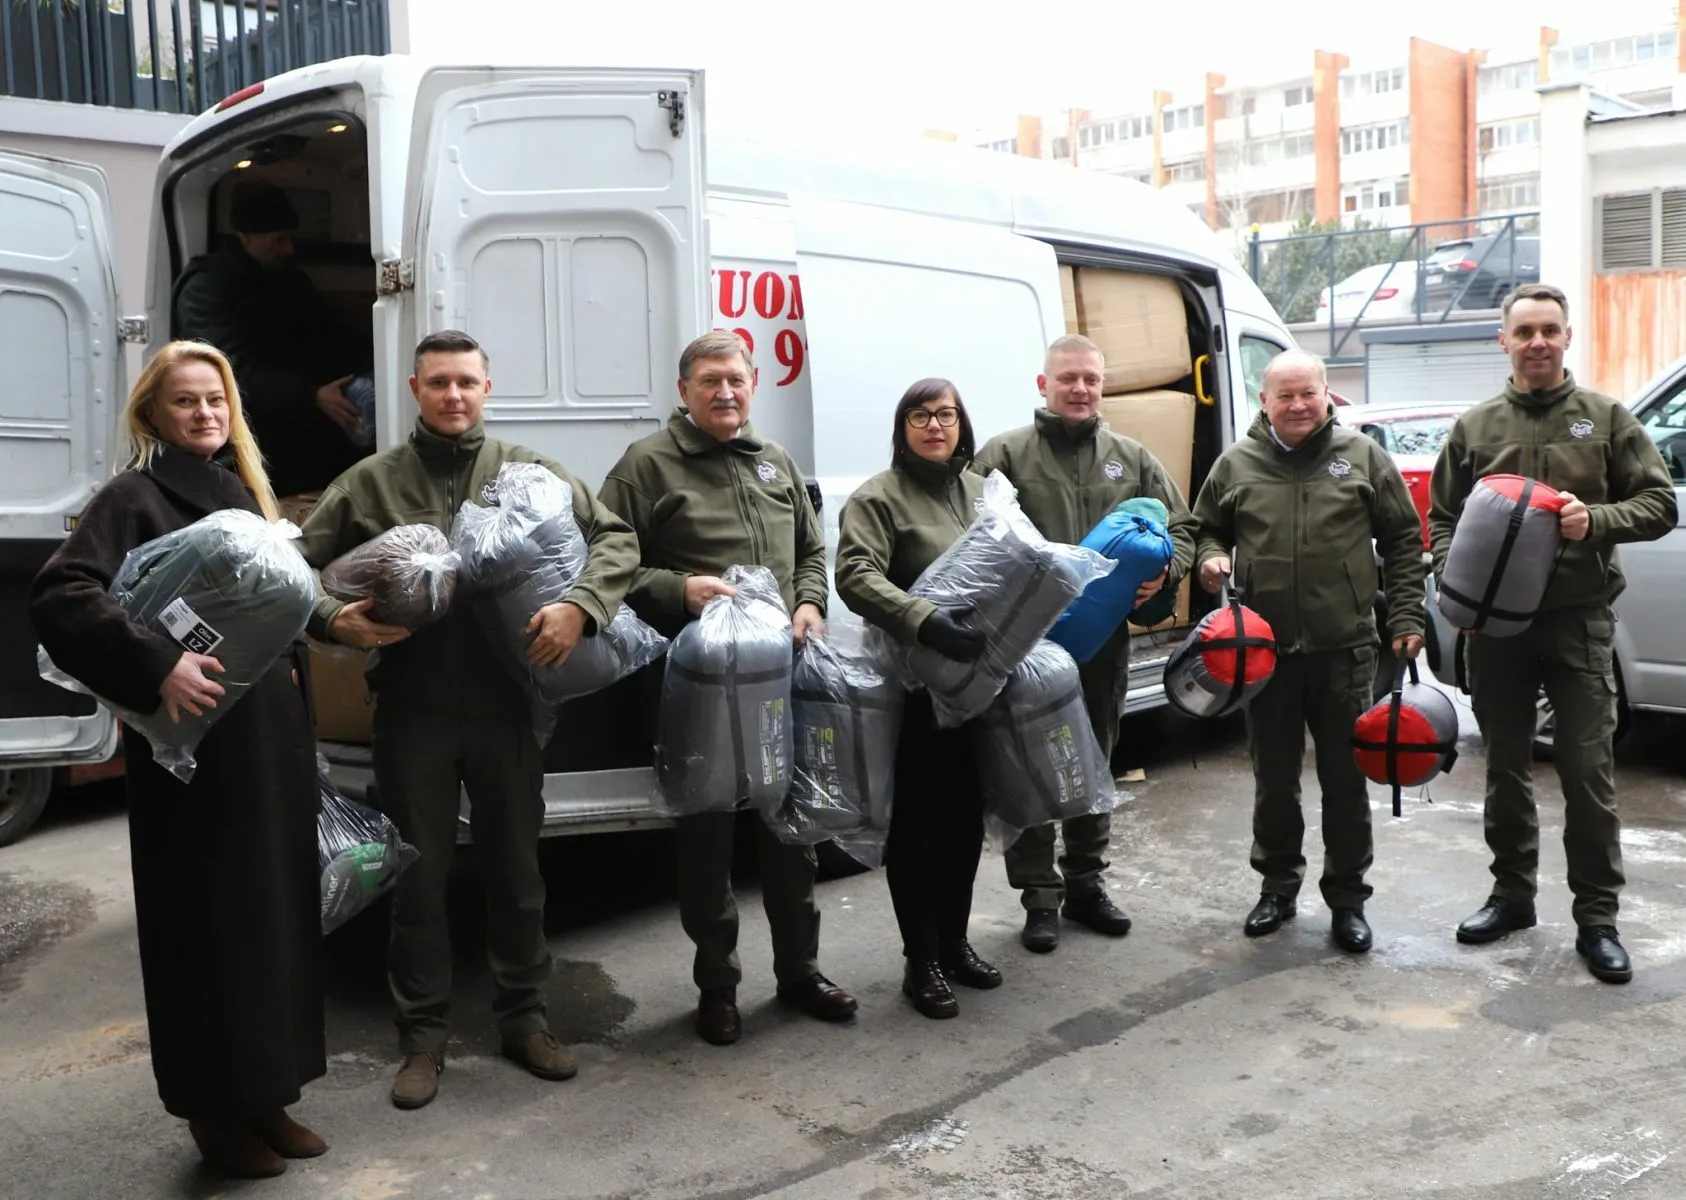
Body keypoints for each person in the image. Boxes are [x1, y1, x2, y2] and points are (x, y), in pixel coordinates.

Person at [294, 330, 639, 1109]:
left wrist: (581, 607)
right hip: (411, 707)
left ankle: (525, 1020)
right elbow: (300, 565)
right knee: (419, 880)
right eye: (439, 382)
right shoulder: (371, 482)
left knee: (517, 872)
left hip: (506, 707)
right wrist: (332, 618)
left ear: (488, 388)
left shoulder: (529, 473)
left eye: (467, 382)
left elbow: (616, 537)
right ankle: (422, 1037)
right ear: (414, 389)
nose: (453, 395)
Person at [29, 342, 325, 1179]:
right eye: (186, 401)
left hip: (264, 745)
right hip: (191, 756)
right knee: (208, 929)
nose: (204, 414)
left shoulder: (241, 491)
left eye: (216, 401)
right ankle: (212, 1111)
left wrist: (339, 620)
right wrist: (159, 663)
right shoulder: (133, 496)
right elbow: (62, 593)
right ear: (152, 414)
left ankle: (268, 1093)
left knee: (270, 920)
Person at [600, 330, 857, 1046]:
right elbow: (607, 563)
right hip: (702, 686)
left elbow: (811, 550)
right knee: (708, 839)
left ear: (753, 386)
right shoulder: (646, 465)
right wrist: (678, 588)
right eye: (709, 381)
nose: (724, 392)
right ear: (683, 390)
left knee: (791, 830)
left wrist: (811, 603)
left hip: (782, 677)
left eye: (736, 380)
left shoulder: (774, 460)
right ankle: (717, 987)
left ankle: (800, 972)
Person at [1428, 283, 1677, 984]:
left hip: (1578, 621)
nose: (1537, 342)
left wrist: (1595, 520)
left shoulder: (1606, 419)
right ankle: (1512, 897)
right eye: (1524, 331)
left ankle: (1597, 919)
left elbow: (1659, 503)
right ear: (1503, 341)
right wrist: (1454, 572)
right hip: (1496, 630)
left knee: (1588, 772)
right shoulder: (1475, 427)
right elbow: (1442, 517)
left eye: (1549, 330)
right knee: (1504, 768)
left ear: (1568, 337)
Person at [1193, 348, 1425, 954]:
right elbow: (1206, 527)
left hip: (1344, 649)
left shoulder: (1362, 457)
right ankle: (1277, 887)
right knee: (1273, 780)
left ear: (1327, 396)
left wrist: (1405, 615)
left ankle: (1348, 900)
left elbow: (1403, 539)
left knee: (1345, 781)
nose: (1297, 405)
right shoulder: (1236, 464)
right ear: (1264, 401)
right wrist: (1210, 558)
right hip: (1263, 655)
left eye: (1308, 394)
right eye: (1285, 395)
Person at [973, 334, 1196, 954]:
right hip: (1025, 644)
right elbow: (970, 530)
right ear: (1042, 385)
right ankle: (1039, 897)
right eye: (1067, 378)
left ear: (1102, 386)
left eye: (1091, 379)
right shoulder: (1005, 454)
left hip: (1102, 644)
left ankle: (1086, 885)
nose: (1080, 389)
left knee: (1093, 759)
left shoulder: (1131, 457)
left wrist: (1165, 572)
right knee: (1027, 763)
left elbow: (1182, 528)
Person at [835, 378, 1001, 1019]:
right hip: (914, 691)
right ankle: (921, 961)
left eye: (947, 415)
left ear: (962, 424)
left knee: (966, 821)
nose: (935, 425)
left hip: (980, 684)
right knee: (920, 825)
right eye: (921, 415)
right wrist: (923, 620)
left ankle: (955, 945)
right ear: (903, 427)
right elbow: (855, 575)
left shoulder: (983, 492)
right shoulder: (879, 497)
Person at [174, 179, 367, 497]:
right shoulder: (204, 290)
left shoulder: (288, 280)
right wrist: (311, 395)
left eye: (289, 238)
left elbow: (331, 334)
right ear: (245, 237)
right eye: (278, 239)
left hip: (303, 433)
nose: (288, 249)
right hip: (250, 443)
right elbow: (229, 371)